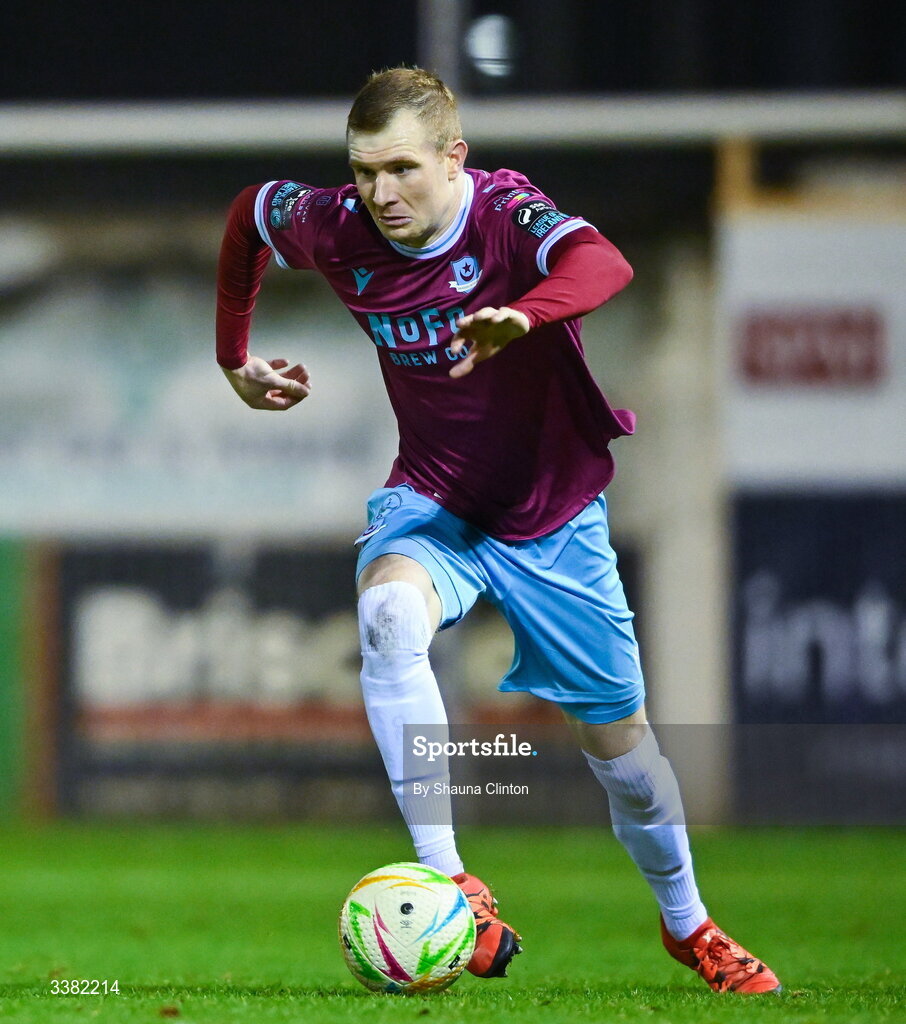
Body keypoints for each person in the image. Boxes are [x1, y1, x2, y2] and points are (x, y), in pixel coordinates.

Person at [215, 66, 781, 993]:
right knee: (389, 620)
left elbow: (606, 265)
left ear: (454, 157)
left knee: (629, 760)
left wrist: (526, 311)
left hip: (554, 521)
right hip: (435, 501)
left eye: (400, 168)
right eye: (362, 171)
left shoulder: (507, 214)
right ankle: (448, 882)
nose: (380, 194)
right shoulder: (339, 224)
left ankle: (691, 928)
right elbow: (249, 215)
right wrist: (233, 356)